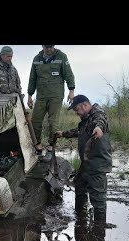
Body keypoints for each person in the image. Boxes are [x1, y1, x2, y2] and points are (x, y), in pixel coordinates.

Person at [55, 95, 112, 224]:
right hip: (87, 163)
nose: (76, 113)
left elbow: (100, 121)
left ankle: (99, 229)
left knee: (98, 199)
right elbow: (79, 130)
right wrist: (63, 134)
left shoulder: (98, 114)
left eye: (77, 110)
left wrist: (98, 128)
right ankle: (80, 217)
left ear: (85, 105)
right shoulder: (86, 119)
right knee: (79, 184)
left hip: (97, 163)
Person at [27, 45, 75, 154]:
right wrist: (30, 95)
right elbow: (32, 78)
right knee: (35, 120)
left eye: (51, 47)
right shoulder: (37, 59)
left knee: (53, 122)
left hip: (56, 95)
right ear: (43, 46)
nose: (49, 49)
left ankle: (51, 144)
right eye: (47, 47)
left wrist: (71, 90)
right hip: (41, 96)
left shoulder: (61, 56)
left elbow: (69, 74)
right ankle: (37, 143)